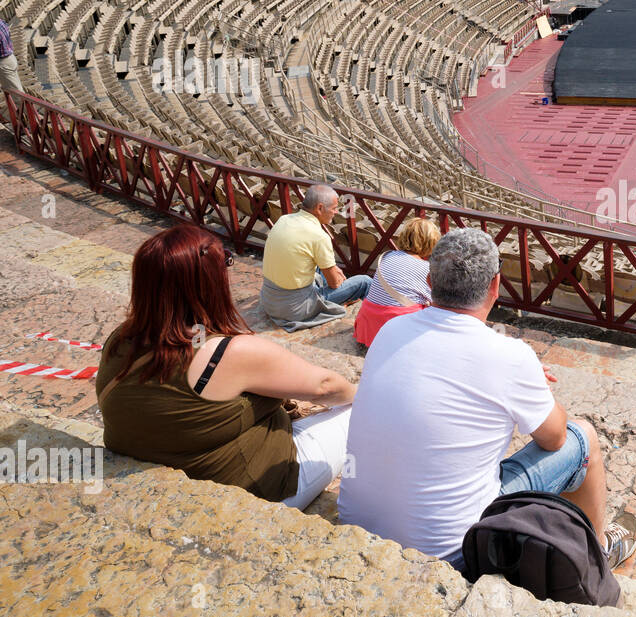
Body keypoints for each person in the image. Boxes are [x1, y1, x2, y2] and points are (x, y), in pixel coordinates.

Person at [339, 228, 636, 571]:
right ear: (495, 286)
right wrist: (526, 381)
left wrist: (514, 376)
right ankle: (598, 555)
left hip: (357, 527)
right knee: (583, 437)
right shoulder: (509, 356)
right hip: (451, 553)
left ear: (429, 280)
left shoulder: (390, 331)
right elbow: (555, 437)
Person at [97, 224, 355, 509]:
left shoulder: (119, 339)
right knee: (359, 408)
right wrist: (360, 391)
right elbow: (326, 387)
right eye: (225, 260)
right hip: (257, 488)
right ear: (209, 281)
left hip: (171, 466)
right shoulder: (225, 353)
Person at [259, 184, 371, 332]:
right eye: (334, 208)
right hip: (295, 308)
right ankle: (369, 327)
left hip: (270, 300)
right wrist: (336, 279)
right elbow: (334, 283)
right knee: (365, 281)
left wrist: (333, 270)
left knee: (315, 261)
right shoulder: (319, 236)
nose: (336, 212)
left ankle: (340, 296)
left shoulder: (284, 219)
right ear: (319, 208)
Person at [353, 217, 440, 348]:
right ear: (430, 243)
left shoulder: (387, 256)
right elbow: (437, 303)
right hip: (397, 330)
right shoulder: (425, 269)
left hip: (368, 325)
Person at [0, 17, 22, 94]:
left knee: (16, 94)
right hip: (10, 58)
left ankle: (23, 106)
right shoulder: (1, 21)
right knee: (15, 88)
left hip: (3, 62)